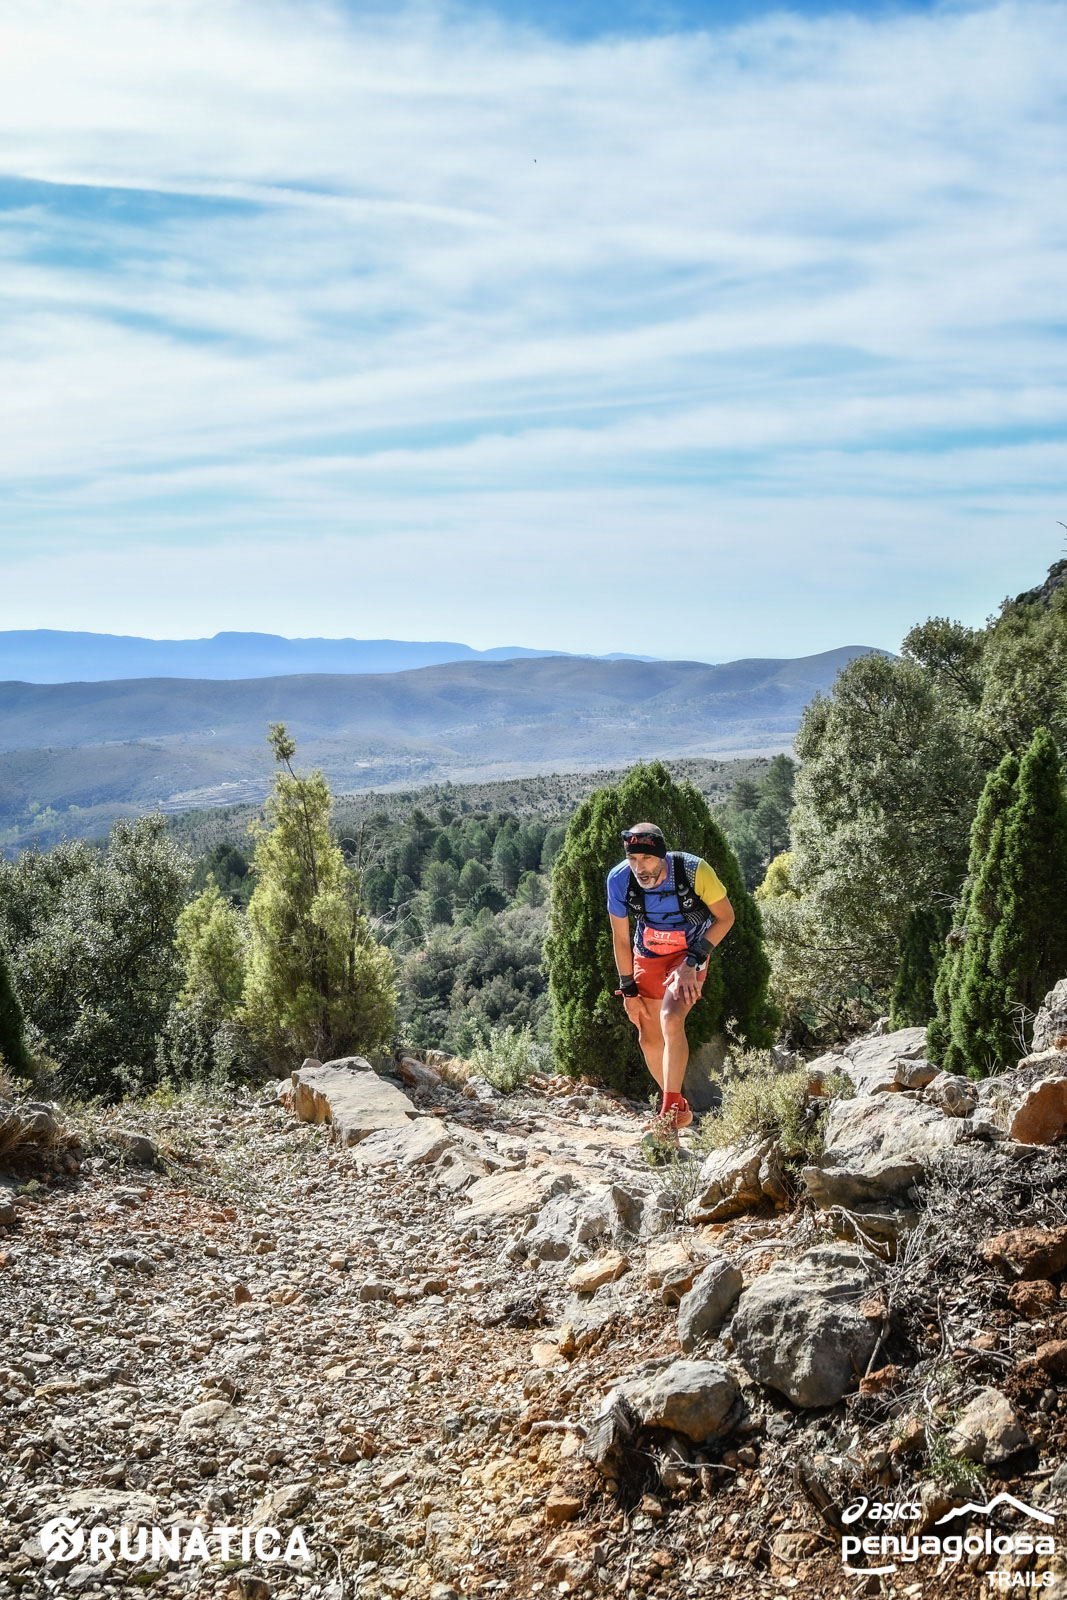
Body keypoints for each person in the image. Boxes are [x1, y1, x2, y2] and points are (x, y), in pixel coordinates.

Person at [606, 821, 735, 1142]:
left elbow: (726, 917)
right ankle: (677, 1107)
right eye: (633, 859)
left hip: (690, 955)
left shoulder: (694, 871)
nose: (640, 868)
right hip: (648, 955)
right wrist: (628, 990)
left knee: (671, 1018)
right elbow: (620, 939)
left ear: (662, 856)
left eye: (647, 859)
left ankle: (666, 1117)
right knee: (648, 1037)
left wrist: (693, 962)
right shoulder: (619, 880)